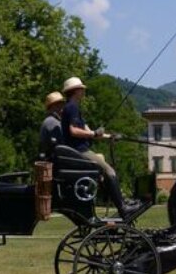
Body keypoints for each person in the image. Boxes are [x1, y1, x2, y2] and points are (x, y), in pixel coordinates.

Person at [60, 76, 142, 219]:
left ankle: (121, 200)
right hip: (80, 150)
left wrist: (109, 136)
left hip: (80, 149)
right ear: (75, 91)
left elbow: (90, 132)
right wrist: (93, 133)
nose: (83, 92)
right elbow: (74, 131)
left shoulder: (73, 108)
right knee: (109, 171)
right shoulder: (71, 107)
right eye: (81, 89)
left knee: (104, 165)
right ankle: (123, 208)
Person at [39, 91, 65, 161]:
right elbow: (61, 144)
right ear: (53, 106)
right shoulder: (52, 122)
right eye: (60, 104)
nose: (62, 107)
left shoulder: (49, 120)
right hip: (56, 161)